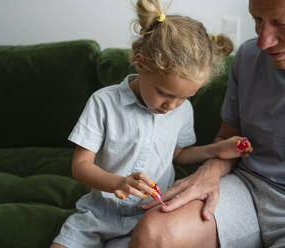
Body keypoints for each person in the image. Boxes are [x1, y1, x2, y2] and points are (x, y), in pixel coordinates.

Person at [129, 0, 285, 247]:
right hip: (248, 189)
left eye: (284, 24)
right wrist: (210, 171)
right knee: (154, 234)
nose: (263, 41)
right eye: (258, 20)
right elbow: (231, 141)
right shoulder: (250, 57)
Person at [49, 0, 240, 247]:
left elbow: (179, 154)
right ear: (140, 63)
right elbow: (80, 166)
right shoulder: (104, 102)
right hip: (96, 216)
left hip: (149, 218)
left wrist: (216, 150)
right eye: (164, 93)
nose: (172, 105)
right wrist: (118, 183)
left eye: (184, 97)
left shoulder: (182, 111)